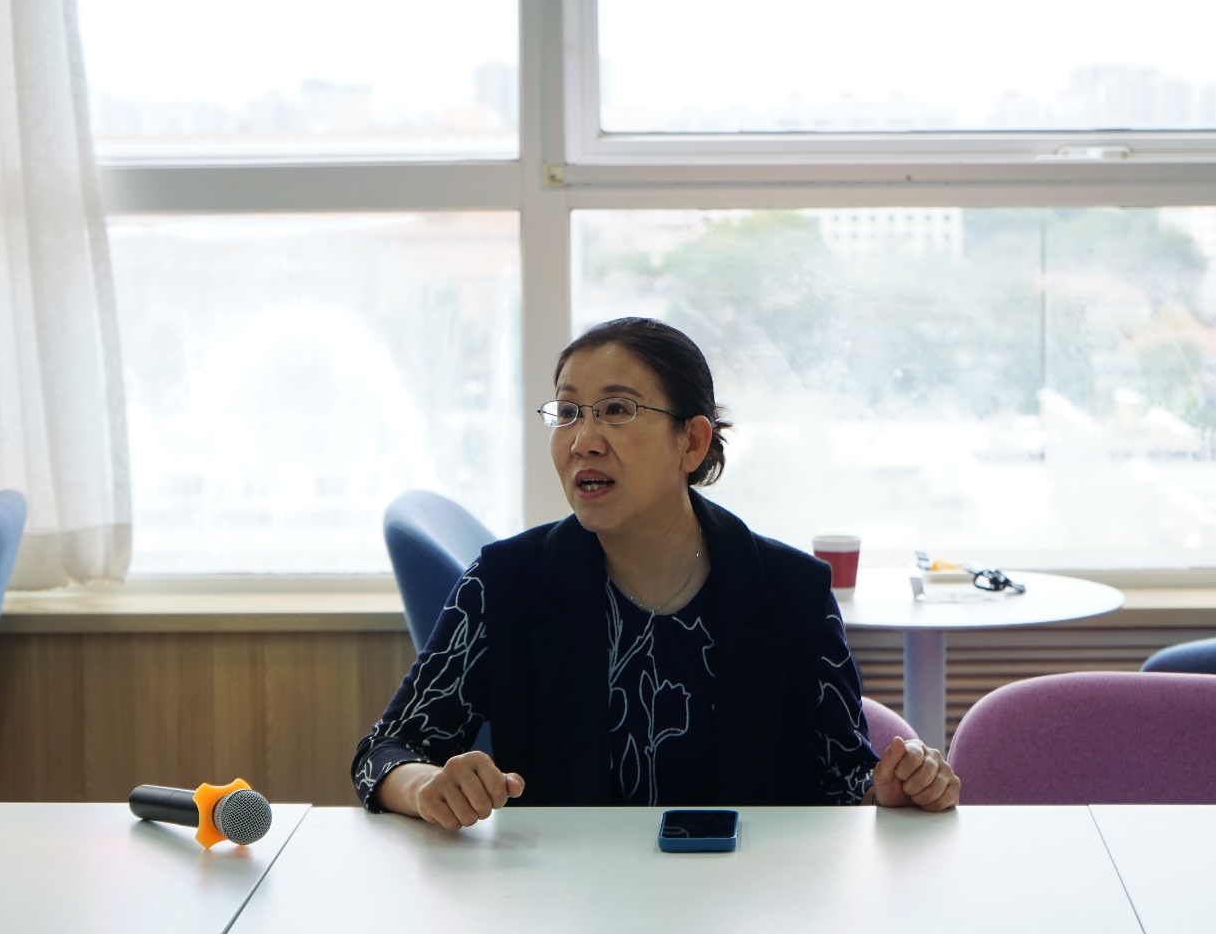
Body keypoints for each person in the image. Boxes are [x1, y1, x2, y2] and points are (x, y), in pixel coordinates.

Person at [352, 317, 960, 829]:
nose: (583, 440)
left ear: (691, 442)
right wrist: (428, 786)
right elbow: (384, 752)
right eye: (568, 412)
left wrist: (891, 788)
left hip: (747, 902)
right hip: (563, 903)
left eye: (617, 410)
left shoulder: (790, 591)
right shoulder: (505, 584)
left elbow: (843, 776)